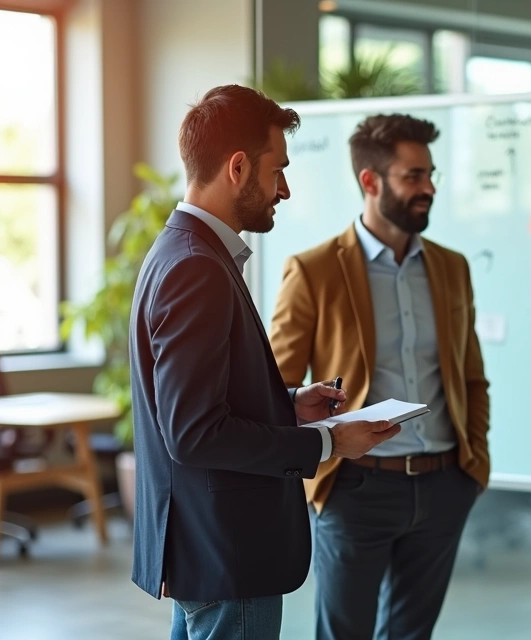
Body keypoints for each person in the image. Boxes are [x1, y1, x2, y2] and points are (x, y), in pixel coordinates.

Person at [128, 85, 400, 640]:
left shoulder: (179, 252)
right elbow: (195, 434)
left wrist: (289, 404)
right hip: (229, 552)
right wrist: (328, 443)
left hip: (207, 548)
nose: (285, 188)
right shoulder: (195, 268)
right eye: (277, 170)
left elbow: (199, 405)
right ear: (236, 167)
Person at [269, 113, 490, 640]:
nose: (429, 188)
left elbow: (471, 376)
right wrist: (319, 467)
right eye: (413, 176)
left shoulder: (451, 267)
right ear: (371, 182)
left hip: (442, 485)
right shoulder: (315, 269)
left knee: (413, 634)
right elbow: (274, 388)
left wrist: (472, 465)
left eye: (430, 174)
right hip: (356, 487)